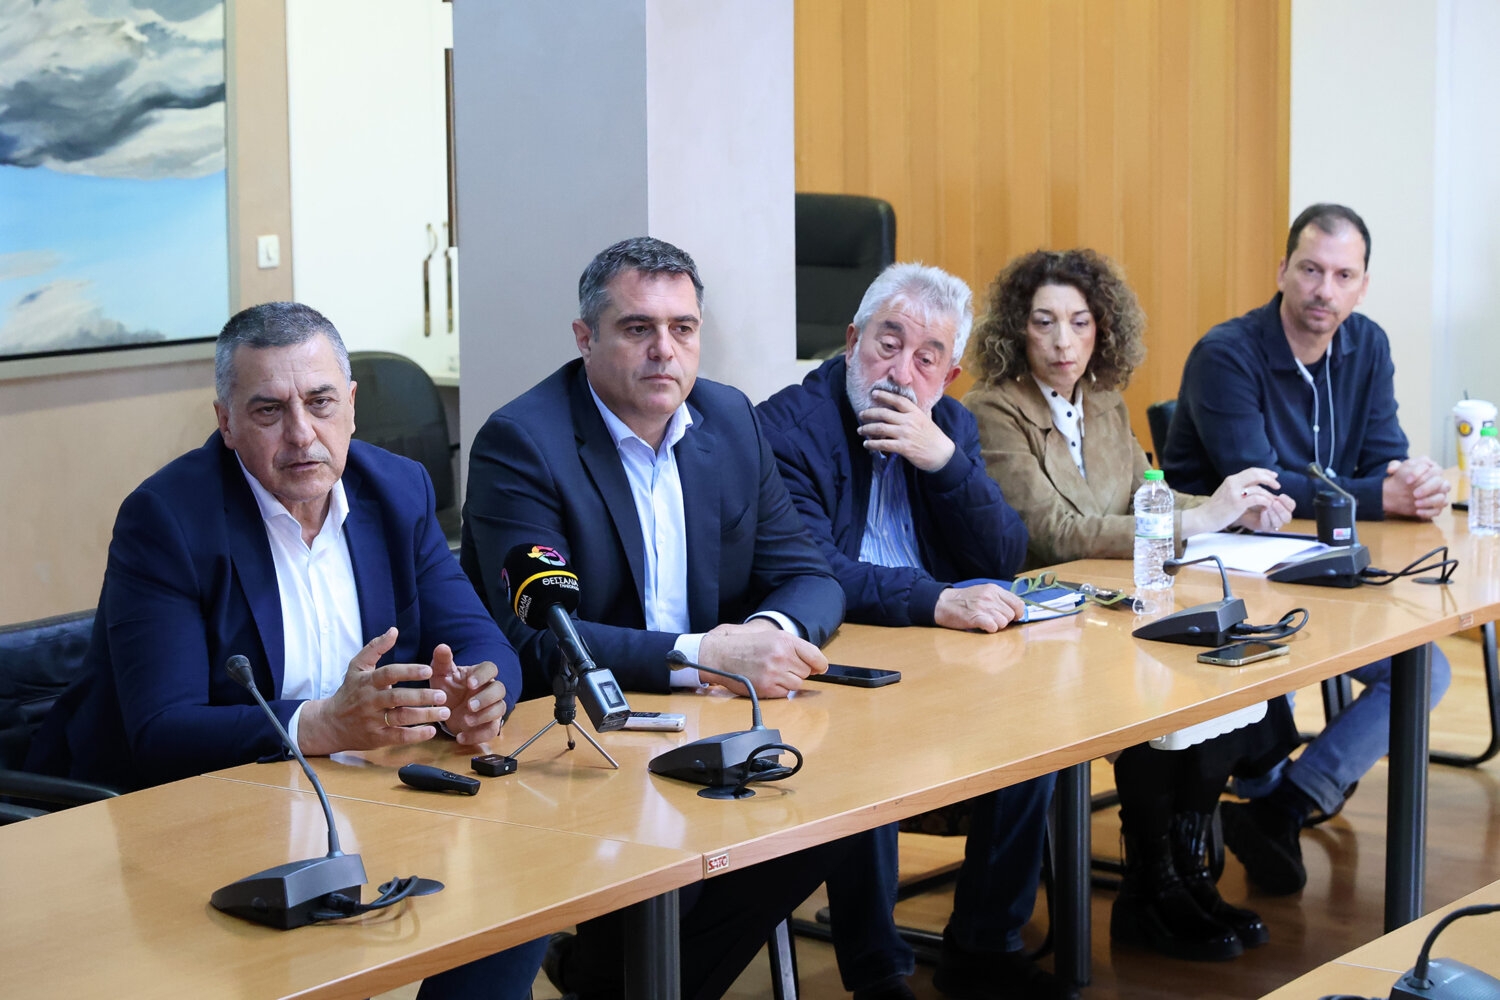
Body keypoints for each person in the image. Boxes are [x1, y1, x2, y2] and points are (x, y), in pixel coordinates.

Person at [27, 302, 542, 999]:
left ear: (351, 406)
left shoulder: (397, 490)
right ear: (226, 422)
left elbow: (480, 638)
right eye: (268, 411)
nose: (302, 434)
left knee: (518, 904)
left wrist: (480, 691)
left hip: (361, 803)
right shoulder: (167, 519)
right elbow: (161, 731)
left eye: (320, 403)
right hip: (193, 823)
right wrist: (320, 724)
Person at [461, 237, 848, 1000]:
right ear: (585, 337)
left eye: (683, 328)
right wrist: (704, 653)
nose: (665, 350)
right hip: (581, 737)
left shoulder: (728, 418)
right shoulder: (524, 442)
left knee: (832, 816)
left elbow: (809, 575)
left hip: (709, 717)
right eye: (638, 329)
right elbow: (538, 636)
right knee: (668, 875)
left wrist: (765, 637)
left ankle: (605, 981)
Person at [963, 249, 1300, 962]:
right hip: (1043, 625)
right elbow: (1051, 533)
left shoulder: (1105, 401)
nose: (1063, 342)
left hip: (1116, 609)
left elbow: (1144, 499)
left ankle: (1180, 872)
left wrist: (1231, 508)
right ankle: (1151, 885)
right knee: (1156, 689)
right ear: (1016, 329)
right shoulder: (993, 411)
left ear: (1102, 329)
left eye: (1080, 322)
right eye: (1044, 322)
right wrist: (1198, 520)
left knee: (1227, 674)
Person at [757, 263, 1064, 1000]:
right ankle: (878, 972)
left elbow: (1003, 556)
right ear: (851, 341)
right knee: (867, 741)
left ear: (950, 375)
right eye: (887, 344)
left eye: (927, 358)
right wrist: (935, 600)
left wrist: (945, 463)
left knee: (1037, 728)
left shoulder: (950, 426)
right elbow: (814, 569)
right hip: (834, 660)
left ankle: (984, 947)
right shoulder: (786, 428)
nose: (901, 373)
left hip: (930, 658)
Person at [1160, 204, 1453, 895]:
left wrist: (1411, 480)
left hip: (1320, 571)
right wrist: (1380, 494)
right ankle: (1263, 791)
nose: (1325, 290)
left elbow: (1383, 456)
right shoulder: (1226, 354)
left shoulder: (1367, 345)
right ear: (1282, 272)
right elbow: (1259, 485)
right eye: (1311, 270)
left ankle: (1284, 806)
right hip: (1224, 575)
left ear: (1362, 286)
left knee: (1427, 668)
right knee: (1298, 654)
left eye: (1343, 276)